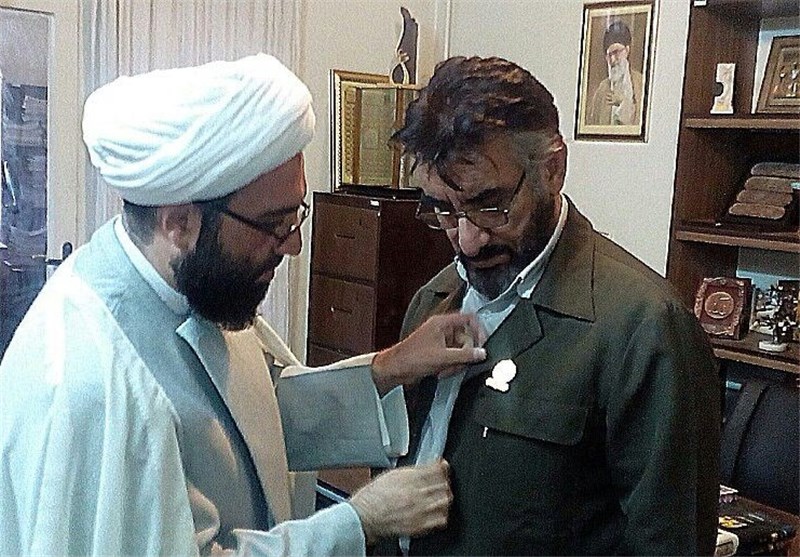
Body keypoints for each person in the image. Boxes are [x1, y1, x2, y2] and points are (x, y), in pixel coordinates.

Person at [0, 54, 489, 556]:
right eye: (274, 224)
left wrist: (392, 367)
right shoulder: (92, 387)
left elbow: (249, 419)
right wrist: (359, 522)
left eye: (295, 215)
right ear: (179, 222)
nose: (294, 244)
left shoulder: (189, 283)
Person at [383, 55, 720, 555]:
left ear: (552, 169)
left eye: (490, 205)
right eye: (443, 210)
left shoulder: (645, 330)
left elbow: (669, 542)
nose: (468, 240)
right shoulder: (433, 301)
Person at [587, 19, 644, 126]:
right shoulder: (602, 89)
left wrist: (622, 102)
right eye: (609, 55)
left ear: (627, 50)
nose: (612, 60)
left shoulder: (640, 83)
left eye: (616, 52)